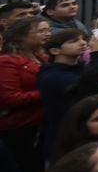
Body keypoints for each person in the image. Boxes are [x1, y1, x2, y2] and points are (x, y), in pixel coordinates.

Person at [0, 15, 51, 172]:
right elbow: (10, 98)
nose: (46, 34)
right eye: (40, 30)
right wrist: (48, 91)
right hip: (17, 130)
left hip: (39, 127)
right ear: (21, 36)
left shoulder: (42, 57)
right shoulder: (8, 62)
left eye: (47, 30)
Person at [37, 28, 87, 159]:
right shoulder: (52, 76)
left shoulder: (81, 67)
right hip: (63, 139)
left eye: (83, 39)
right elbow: (93, 85)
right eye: (74, 41)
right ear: (55, 51)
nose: (82, 43)